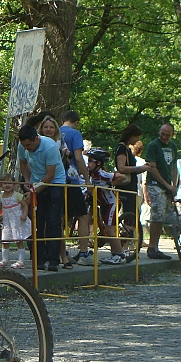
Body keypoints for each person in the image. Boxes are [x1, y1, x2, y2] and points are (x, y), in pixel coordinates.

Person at [18, 123, 66, 272]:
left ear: (36, 139)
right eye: (24, 146)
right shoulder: (22, 146)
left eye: (29, 145)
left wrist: (34, 191)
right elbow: (23, 163)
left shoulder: (49, 146)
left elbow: (50, 175)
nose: (27, 148)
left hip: (54, 183)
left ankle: (53, 260)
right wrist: (27, 181)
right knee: (36, 221)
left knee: (53, 222)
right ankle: (39, 259)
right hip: (36, 182)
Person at [37, 114, 72, 268]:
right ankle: (41, 256)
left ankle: (60, 257)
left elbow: (68, 158)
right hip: (41, 181)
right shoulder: (36, 143)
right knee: (41, 222)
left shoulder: (59, 142)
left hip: (56, 181)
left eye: (51, 127)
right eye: (46, 127)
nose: (48, 129)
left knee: (55, 222)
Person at [114, 124, 152, 260]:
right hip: (125, 187)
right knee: (129, 217)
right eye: (135, 136)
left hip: (131, 187)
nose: (137, 139)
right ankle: (122, 247)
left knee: (131, 217)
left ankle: (125, 246)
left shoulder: (126, 149)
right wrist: (138, 168)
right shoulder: (122, 148)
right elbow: (122, 168)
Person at [60, 111, 93, 266]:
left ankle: (60, 251)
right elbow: (78, 157)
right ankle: (84, 252)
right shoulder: (75, 134)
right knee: (83, 215)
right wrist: (86, 179)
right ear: (76, 122)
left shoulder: (55, 131)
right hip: (71, 179)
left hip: (56, 179)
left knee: (60, 217)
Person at [86, 147, 128, 264]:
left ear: (98, 163)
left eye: (90, 161)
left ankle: (119, 255)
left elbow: (123, 177)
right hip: (102, 203)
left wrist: (110, 184)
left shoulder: (102, 173)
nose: (88, 163)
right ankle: (114, 254)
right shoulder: (90, 172)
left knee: (110, 230)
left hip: (110, 203)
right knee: (106, 229)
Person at [144, 123, 179, 260]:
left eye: (167, 135)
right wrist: (166, 184)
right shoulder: (153, 145)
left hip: (167, 185)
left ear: (172, 135)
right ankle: (152, 247)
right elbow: (152, 168)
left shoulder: (173, 146)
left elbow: (174, 167)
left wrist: (173, 185)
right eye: (162, 134)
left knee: (166, 216)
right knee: (157, 215)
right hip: (155, 184)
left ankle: (157, 246)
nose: (164, 137)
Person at [0, 174, 31, 269]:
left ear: (14, 184)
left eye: (9, 183)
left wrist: (24, 215)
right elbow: (0, 208)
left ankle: (21, 261)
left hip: (16, 221)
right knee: (5, 240)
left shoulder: (17, 195)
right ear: (1, 185)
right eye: (4, 183)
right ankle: (4, 260)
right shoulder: (0, 197)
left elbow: (25, 205)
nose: (7, 185)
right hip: (7, 222)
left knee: (18, 240)